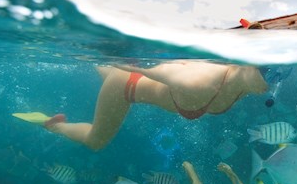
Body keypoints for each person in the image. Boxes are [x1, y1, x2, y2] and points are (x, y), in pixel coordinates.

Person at [14, 61, 268, 151]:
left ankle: (103, 67)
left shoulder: (250, 83)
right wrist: (88, 49)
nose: (278, 78)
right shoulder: (198, 81)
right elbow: (137, 66)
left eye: (284, 72)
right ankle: (54, 127)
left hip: (144, 79)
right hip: (126, 87)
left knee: (112, 70)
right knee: (95, 141)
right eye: (272, 70)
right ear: (250, 63)